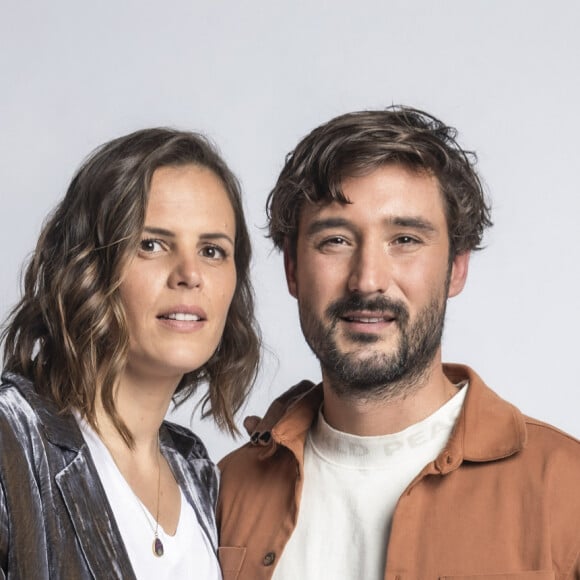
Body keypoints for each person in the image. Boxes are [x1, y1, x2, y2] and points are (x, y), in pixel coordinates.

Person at [217, 107, 580, 579]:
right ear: (291, 269)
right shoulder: (225, 491)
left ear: (457, 268)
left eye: (405, 239)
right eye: (335, 241)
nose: (368, 280)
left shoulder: (566, 491)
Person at [0, 128, 260, 579]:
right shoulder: (11, 442)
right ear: (88, 266)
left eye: (213, 250)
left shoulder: (197, 471)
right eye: (152, 244)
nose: (189, 274)